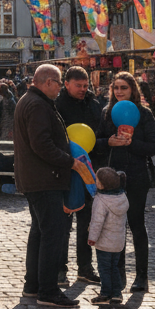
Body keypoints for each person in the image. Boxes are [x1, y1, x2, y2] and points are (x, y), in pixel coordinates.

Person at [13, 63, 81, 308]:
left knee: (40, 232)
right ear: (48, 81)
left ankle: (34, 285)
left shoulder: (32, 101)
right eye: (60, 83)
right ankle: (48, 290)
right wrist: (69, 162)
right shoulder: (37, 105)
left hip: (38, 178)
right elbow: (41, 144)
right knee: (52, 233)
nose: (61, 88)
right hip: (44, 178)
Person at [93, 72, 155, 292]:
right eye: (116, 88)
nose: (119, 92)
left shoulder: (144, 114)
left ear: (133, 90)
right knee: (114, 227)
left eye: (124, 88)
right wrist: (108, 142)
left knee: (136, 224)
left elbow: (154, 146)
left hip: (137, 176)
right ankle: (117, 273)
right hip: (112, 178)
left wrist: (132, 144)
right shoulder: (106, 113)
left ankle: (142, 276)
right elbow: (96, 142)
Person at [55, 66, 103, 286]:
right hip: (65, 169)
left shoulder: (93, 104)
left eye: (86, 86)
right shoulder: (56, 104)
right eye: (78, 86)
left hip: (88, 170)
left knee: (87, 222)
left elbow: (99, 135)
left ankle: (85, 267)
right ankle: (59, 269)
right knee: (63, 223)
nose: (83, 89)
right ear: (66, 84)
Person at [87, 167, 129, 305]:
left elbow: (96, 222)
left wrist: (92, 238)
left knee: (104, 268)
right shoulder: (122, 197)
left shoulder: (101, 200)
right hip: (118, 242)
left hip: (104, 242)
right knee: (114, 267)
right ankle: (117, 293)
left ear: (101, 184)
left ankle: (105, 293)